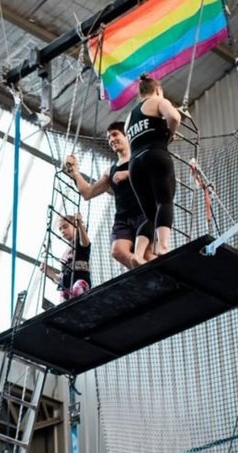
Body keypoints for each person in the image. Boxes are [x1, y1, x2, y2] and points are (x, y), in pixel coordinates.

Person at [64, 122, 155, 269]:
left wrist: (127, 174)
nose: (111, 140)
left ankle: (160, 272)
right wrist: (75, 173)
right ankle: (151, 272)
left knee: (147, 254)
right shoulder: (110, 171)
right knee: (118, 251)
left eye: (115, 135)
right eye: (108, 138)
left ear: (126, 136)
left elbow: (154, 174)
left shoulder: (140, 157)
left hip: (143, 214)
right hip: (123, 218)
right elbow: (88, 192)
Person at [125, 73, 181, 261]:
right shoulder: (158, 100)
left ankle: (138, 255)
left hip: (135, 165)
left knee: (151, 216)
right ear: (157, 89)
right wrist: (169, 134)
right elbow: (174, 117)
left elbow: (132, 140)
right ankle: (163, 247)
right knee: (164, 201)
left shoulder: (129, 117)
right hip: (155, 154)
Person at [40, 213, 90, 301]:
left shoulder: (79, 242)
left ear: (75, 227)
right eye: (60, 229)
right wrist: (47, 271)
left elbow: (85, 243)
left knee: (76, 288)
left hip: (81, 284)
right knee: (63, 294)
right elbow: (60, 278)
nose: (62, 230)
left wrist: (79, 225)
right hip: (68, 287)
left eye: (65, 227)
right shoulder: (65, 253)